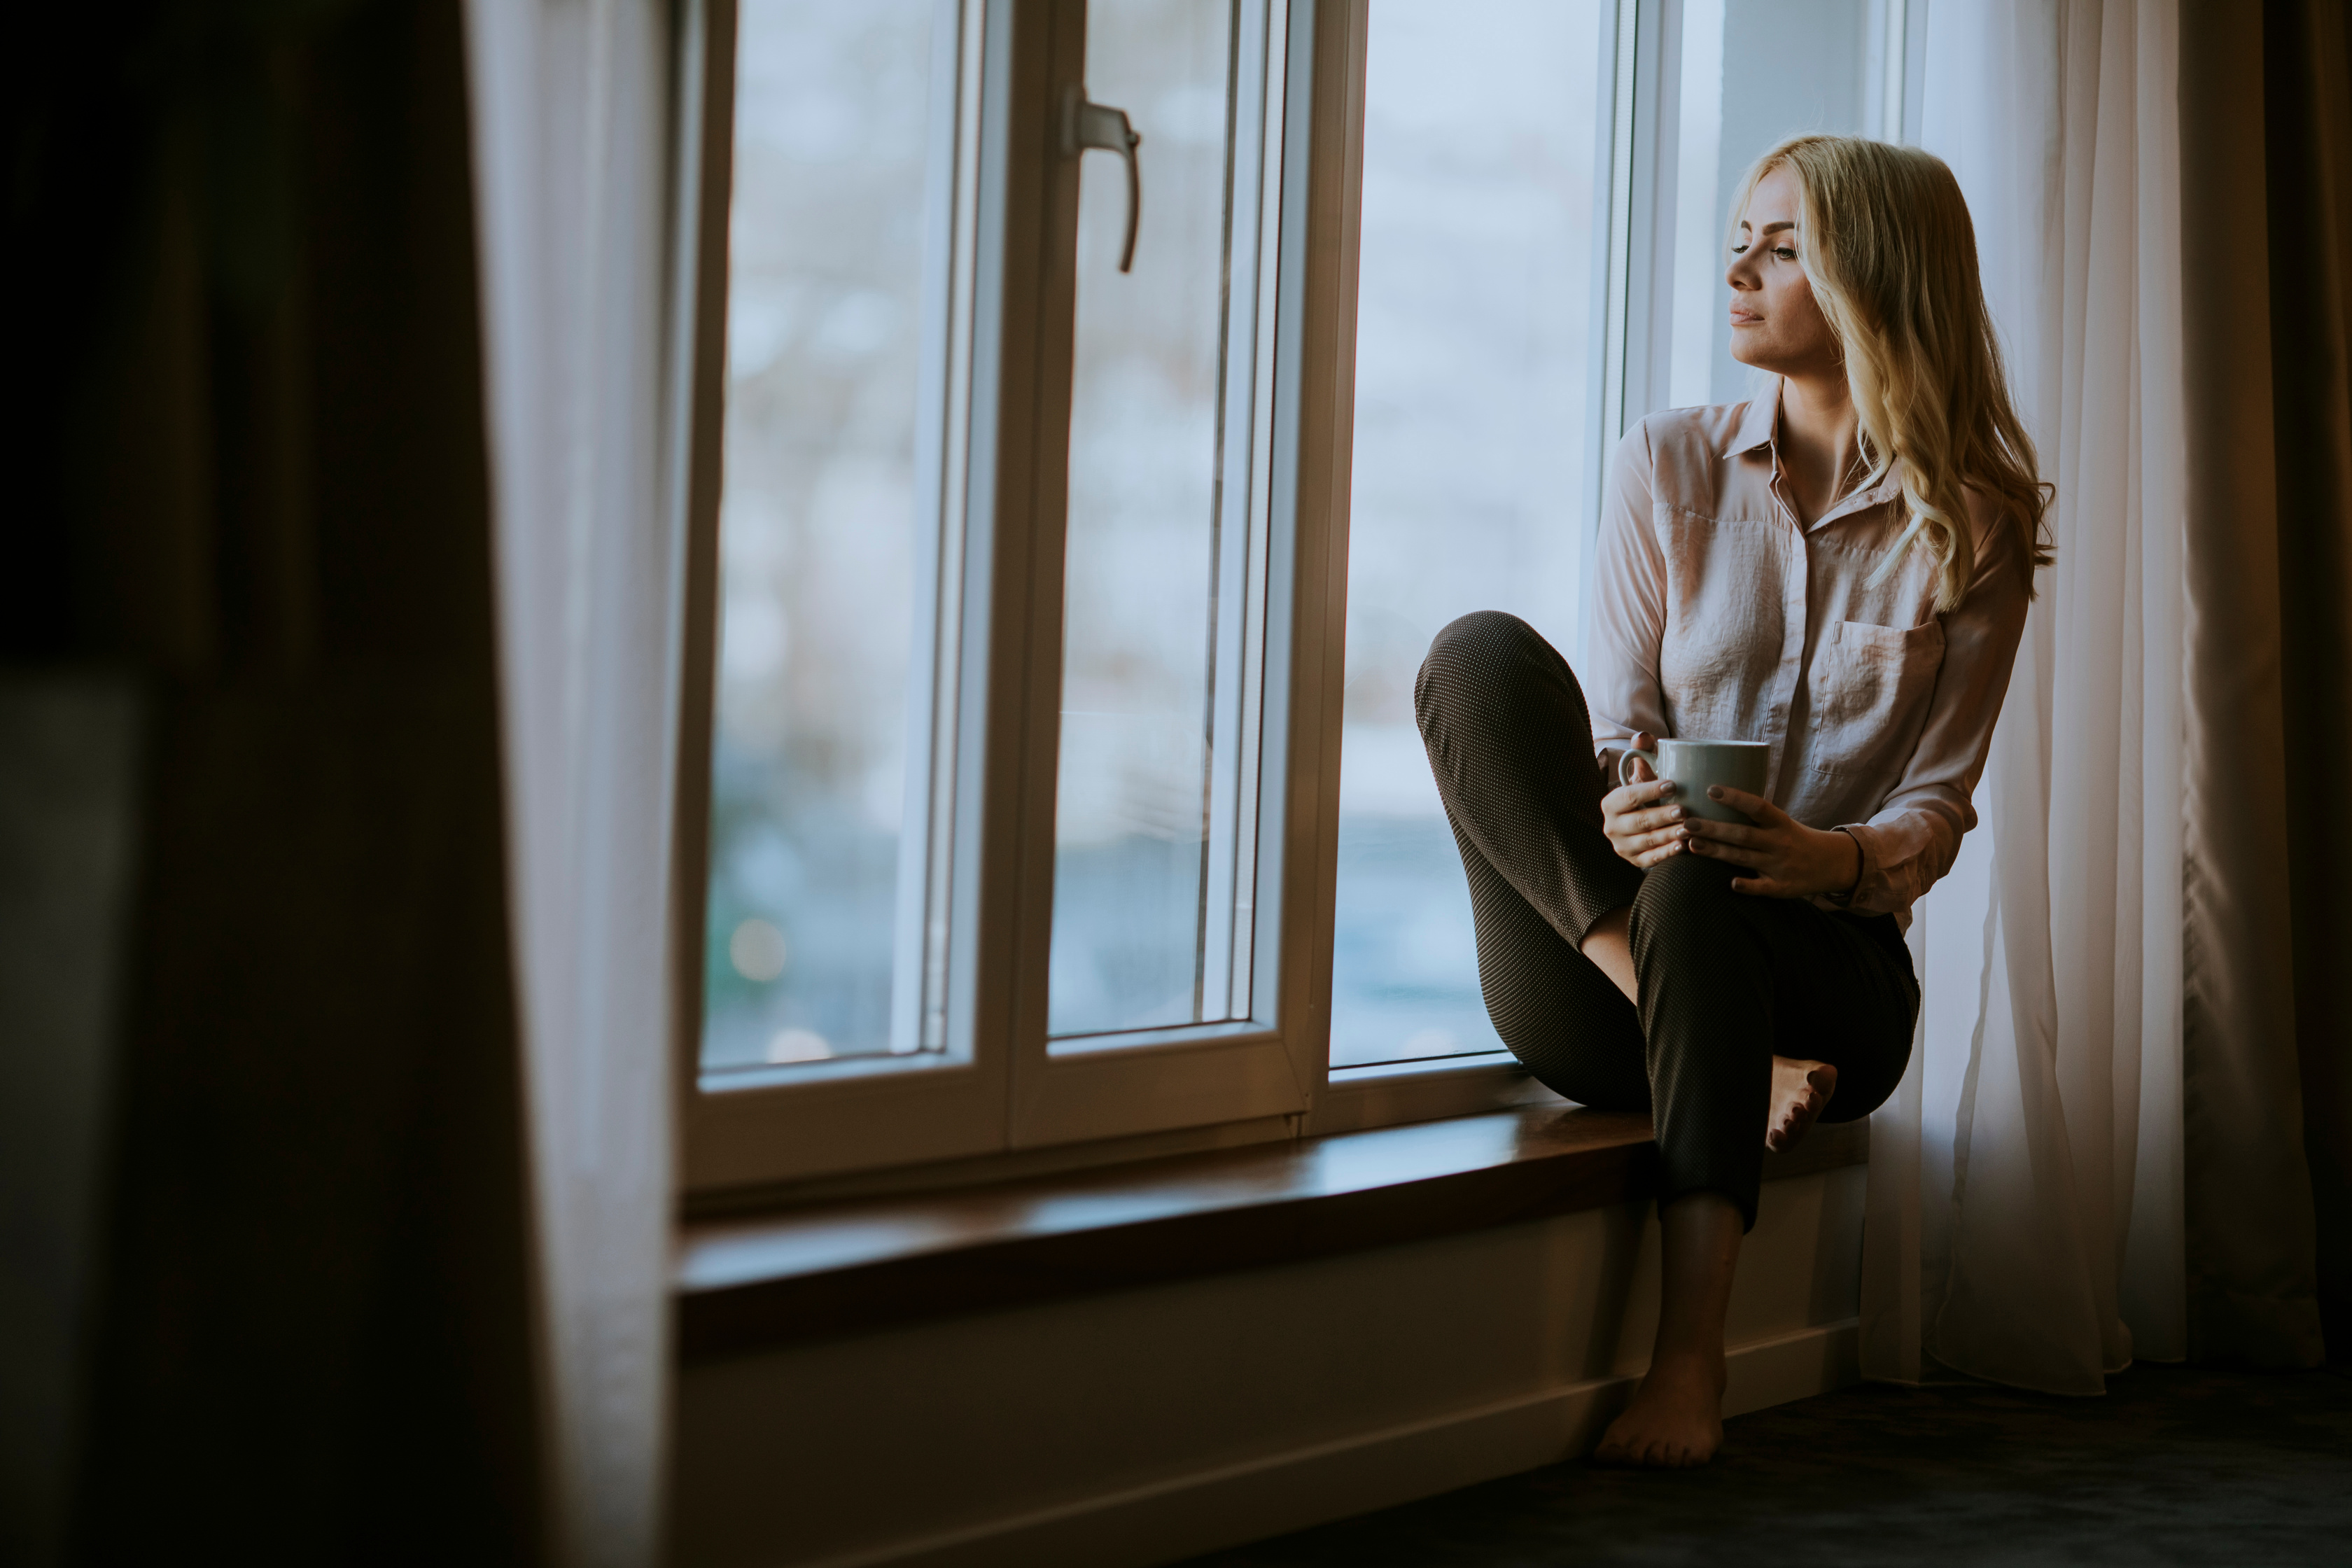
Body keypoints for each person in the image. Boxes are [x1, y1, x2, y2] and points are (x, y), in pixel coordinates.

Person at [1413, 134, 2050, 1468]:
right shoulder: (1669, 465)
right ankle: (1675, 1007)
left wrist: (1829, 858)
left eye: (1780, 246)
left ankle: (1688, 1357)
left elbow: (1938, 801)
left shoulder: (1977, 522)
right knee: (1477, 657)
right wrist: (1632, 799)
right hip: (1616, 977)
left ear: (1872, 279)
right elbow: (1617, 726)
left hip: (1833, 984)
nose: (1736, 268)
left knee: (1706, 880)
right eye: (1738, 237)